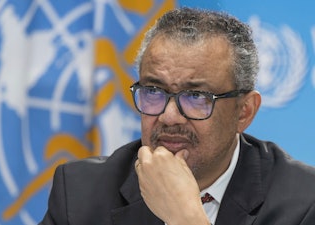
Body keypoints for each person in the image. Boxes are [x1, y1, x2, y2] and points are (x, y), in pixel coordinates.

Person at [39, 7, 315, 225]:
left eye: (196, 96)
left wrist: (186, 218)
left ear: (244, 112)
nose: (169, 116)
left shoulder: (304, 203)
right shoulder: (80, 192)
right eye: (153, 91)